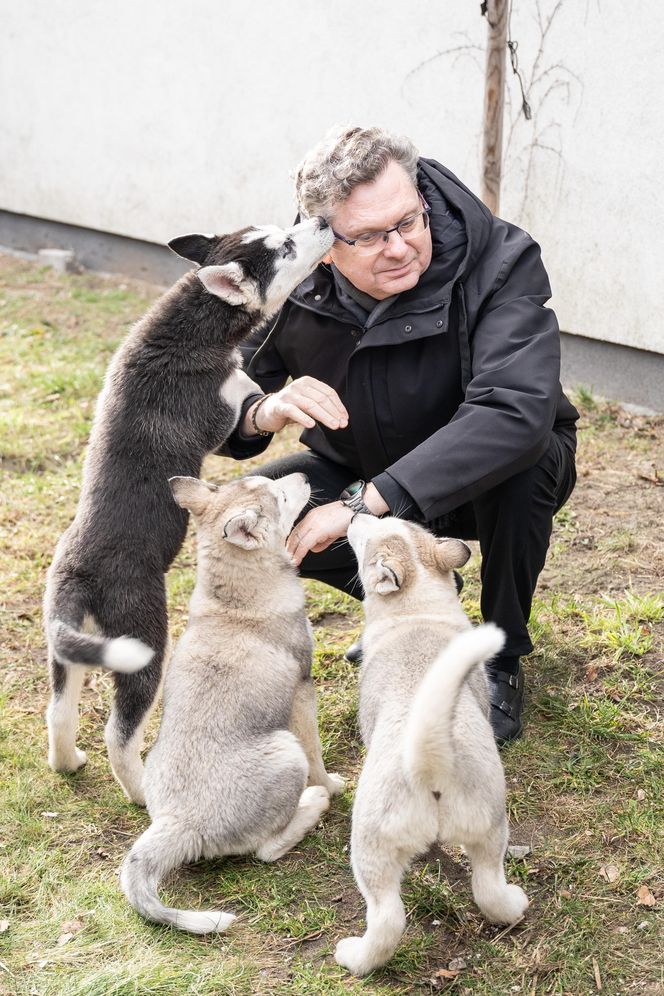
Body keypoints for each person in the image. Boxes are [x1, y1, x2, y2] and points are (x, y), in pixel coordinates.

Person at [223, 125, 578, 744]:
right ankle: (414, 596)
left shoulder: (501, 261)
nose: (399, 247)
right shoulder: (290, 280)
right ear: (328, 245)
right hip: (359, 463)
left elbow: (513, 411)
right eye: (368, 237)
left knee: (534, 455)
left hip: (479, 474)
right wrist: (261, 410)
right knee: (248, 512)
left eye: (408, 222)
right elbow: (217, 385)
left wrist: (362, 504)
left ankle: (498, 654)